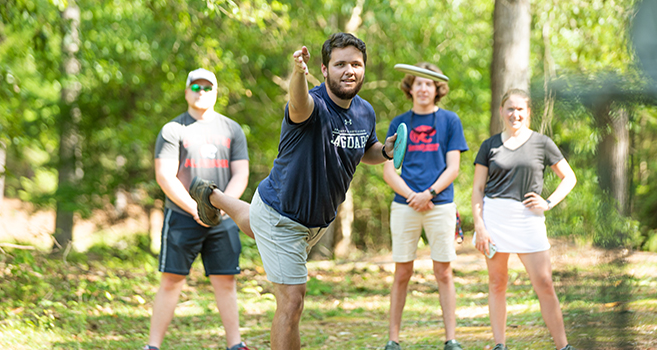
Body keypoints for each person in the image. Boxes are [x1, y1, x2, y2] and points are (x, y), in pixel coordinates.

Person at [188, 33, 397, 350]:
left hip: (306, 218)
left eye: (356, 64)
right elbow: (299, 103)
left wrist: (384, 152)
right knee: (292, 300)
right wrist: (298, 75)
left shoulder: (365, 111)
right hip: (283, 216)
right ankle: (214, 197)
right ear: (324, 70)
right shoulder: (313, 106)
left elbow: (364, 148)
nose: (349, 70)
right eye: (340, 64)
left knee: (256, 221)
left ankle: (212, 196)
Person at [147, 68, 252, 350]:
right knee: (171, 280)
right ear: (187, 92)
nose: (202, 92)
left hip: (224, 218)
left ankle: (235, 344)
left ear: (216, 92)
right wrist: (195, 208)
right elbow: (165, 175)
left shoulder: (232, 129)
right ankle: (153, 345)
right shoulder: (173, 129)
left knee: (226, 280)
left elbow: (241, 173)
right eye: (196, 87)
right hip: (182, 217)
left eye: (208, 87)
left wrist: (225, 207)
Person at [471, 89, 578, 350]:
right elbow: (477, 189)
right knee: (497, 282)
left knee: (544, 283)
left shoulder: (542, 143)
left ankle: (563, 346)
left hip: (529, 219)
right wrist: (480, 226)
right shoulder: (489, 145)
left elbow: (570, 177)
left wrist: (549, 202)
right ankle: (500, 345)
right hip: (494, 218)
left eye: (520, 109)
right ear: (501, 111)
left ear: (528, 112)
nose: (514, 114)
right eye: (510, 108)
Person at [381, 63, 468, 350]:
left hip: (439, 204)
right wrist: (412, 196)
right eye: (418, 83)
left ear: (437, 89)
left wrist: (429, 193)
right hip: (405, 205)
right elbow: (389, 170)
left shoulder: (450, 121)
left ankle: (451, 339)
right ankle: (393, 339)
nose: (423, 88)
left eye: (429, 84)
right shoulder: (399, 123)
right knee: (402, 273)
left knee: (443, 272)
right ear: (410, 87)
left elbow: (453, 167)